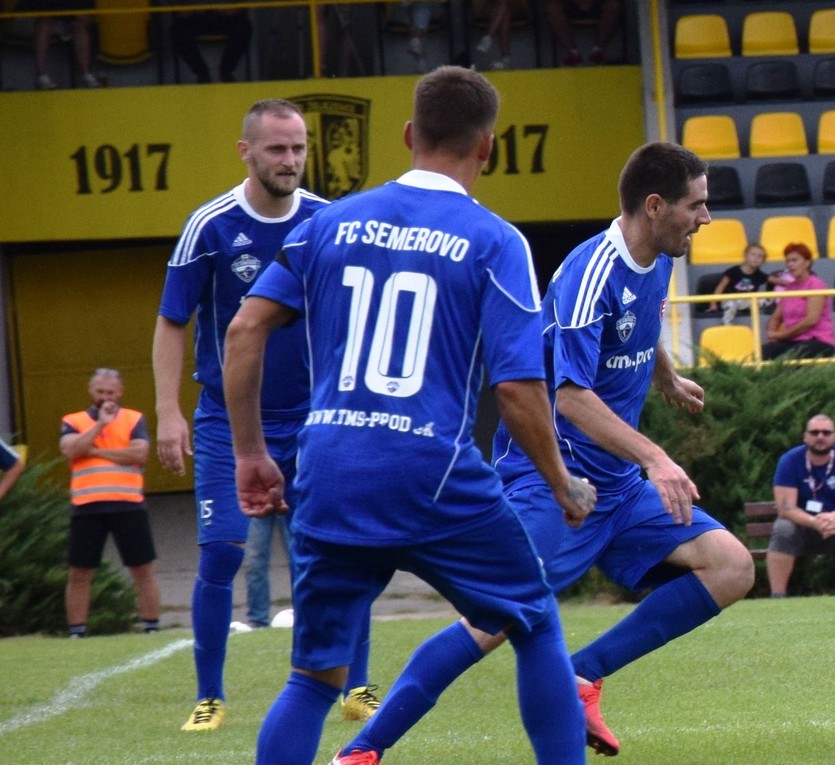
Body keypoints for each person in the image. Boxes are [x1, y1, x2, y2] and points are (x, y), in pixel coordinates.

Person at [329, 141, 754, 764]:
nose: (707, 219)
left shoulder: (659, 255)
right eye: (698, 205)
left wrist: (662, 376)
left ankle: (583, 674)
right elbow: (570, 400)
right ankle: (363, 750)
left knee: (731, 566)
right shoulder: (591, 275)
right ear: (656, 206)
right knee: (493, 620)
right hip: (554, 481)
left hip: (618, 488)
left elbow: (639, 323)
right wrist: (656, 458)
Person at [224, 66, 598, 765]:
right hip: (432, 471)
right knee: (533, 619)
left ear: (407, 135)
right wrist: (560, 482)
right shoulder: (495, 240)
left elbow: (244, 332)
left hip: (330, 469)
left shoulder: (326, 223)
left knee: (313, 676)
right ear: (488, 147)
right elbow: (517, 391)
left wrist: (250, 452)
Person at [153, 98, 380, 732]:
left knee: (342, 549)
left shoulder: (328, 222)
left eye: (300, 147)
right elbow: (173, 321)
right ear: (246, 152)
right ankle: (210, 695)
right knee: (223, 554)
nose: (291, 160)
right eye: (277, 148)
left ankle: (355, 686)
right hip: (229, 421)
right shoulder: (212, 226)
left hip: (317, 419)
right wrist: (168, 412)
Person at [59, 369, 159, 638]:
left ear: (120, 393)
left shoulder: (133, 418)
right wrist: (101, 426)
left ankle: (151, 625)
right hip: (87, 505)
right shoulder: (74, 420)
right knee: (80, 571)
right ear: (91, 392)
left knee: (142, 567)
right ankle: (77, 630)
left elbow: (139, 453)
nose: (106, 397)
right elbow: (69, 449)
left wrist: (93, 451)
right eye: (101, 392)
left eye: (111, 392)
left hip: (128, 503)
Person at [766, 414, 835, 598]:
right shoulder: (790, 460)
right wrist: (813, 521)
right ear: (805, 436)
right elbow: (785, 507)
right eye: (814, 432)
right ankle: (777, 596)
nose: (820, 437)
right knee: (783, 527)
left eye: (826, 432)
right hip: (802, 528)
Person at [763, 242, 835, 360]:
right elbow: (776, 317)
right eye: (788, 261)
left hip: (817, 340)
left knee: (793, 355)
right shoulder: (789, 288)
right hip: (793, 341)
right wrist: (772, 334)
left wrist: (782, 335)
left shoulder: (815, 284)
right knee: (763, 352)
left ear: (807, 263)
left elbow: (811, 320)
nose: (790, 265)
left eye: (794, 260)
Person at [21, 0, 101, 89]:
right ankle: (41, 74)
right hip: (47, 23)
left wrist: (78, 16)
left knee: (80, 29)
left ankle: (86, 74)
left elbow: (89, 20)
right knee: (43, 24)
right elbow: (32, 11)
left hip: (71, 24)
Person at [170, 0, 253, 84]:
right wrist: (180, 10)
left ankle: (226, 71)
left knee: (243, 28)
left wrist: (237, 7)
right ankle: (202, 73)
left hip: (226, 16)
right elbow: (172, 5)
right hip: (193, 16)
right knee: (177, 31)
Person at [243, 513, 289, 629]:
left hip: (289, 497)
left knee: (298, 559)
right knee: (254, 562)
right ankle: (258, 622)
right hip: (258, 498)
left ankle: (306, 615)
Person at [545, 0, 620, 66]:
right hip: (569, 5)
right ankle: (573, 53)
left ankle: (597, 51)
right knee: (552, 6)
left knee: (613, 4)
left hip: (597, 4)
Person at [704, 242, 770, 317]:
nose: (756, 258)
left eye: (760, 256)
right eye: (753, 254)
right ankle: (727, 326)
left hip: (747, 301)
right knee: (731, 306)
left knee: (763, 301)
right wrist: (713, 303)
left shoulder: (760, 275)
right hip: (730, 300)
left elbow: (775, 280)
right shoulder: (733, 271)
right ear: (745, 256)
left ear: (764, 261)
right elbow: (720, 287)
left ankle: (756, 323)